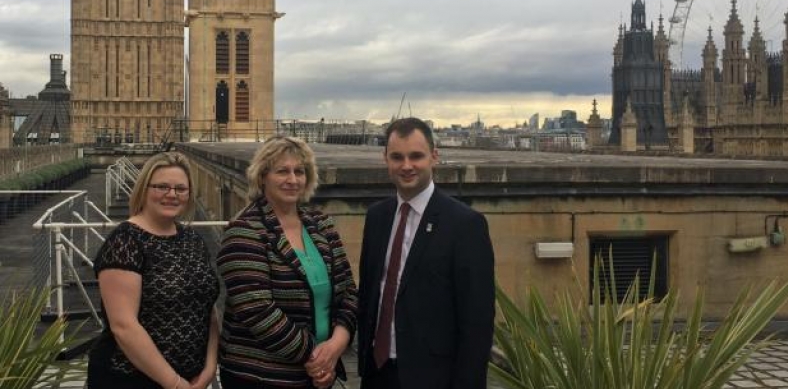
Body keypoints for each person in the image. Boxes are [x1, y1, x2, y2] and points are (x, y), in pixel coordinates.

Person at [357, 117, 496, 389]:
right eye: (397, 157)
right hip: (377, 373)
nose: (406, 166)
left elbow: (477, 324)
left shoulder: (465, 225)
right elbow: (369, 294)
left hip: (434, 378)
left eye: (416, 156)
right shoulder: (377, 217)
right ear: (385, 159)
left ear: (434, 157)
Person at [218, 136, 358, 388]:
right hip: (260, 376)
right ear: (262, 177)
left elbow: (348, 291)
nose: (293, 180)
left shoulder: (321, 225)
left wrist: (337, 345)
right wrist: (316, 358)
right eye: (282, 171)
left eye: (299, 172)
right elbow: (258, 311)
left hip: (318, 372)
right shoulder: (244, 230)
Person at [87, 152, 220, 389]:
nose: (172, 194)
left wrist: (210, 367)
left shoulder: (192, 240)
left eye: (181, 188)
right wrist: (175, 384)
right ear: (144, 189)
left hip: (192, 378)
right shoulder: (125, 242)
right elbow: (124, 327)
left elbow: (207, 309)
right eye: (162, 187)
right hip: (131, 379)